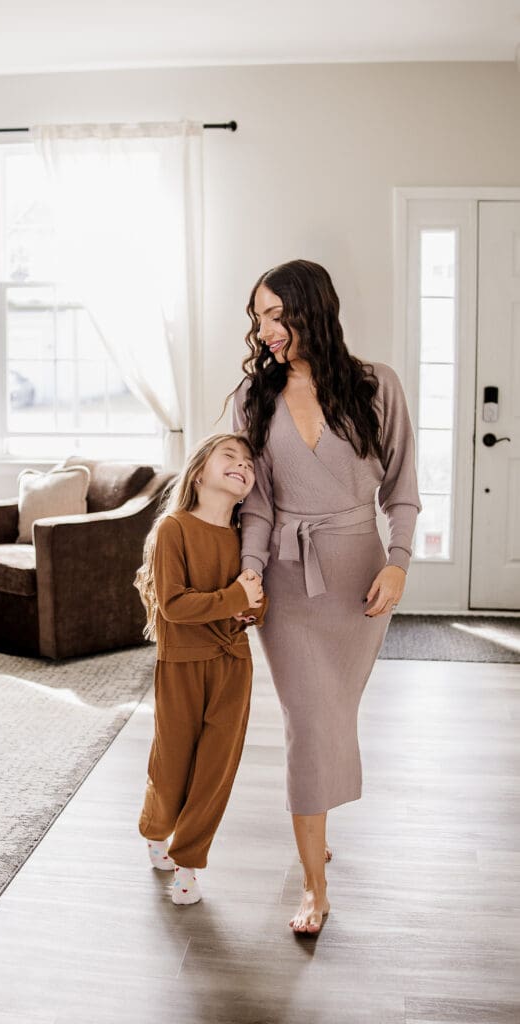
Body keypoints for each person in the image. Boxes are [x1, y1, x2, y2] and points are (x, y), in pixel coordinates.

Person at [227, 259, 422, 934]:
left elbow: (401, 490)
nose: (265, 329)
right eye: (258, 316)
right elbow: (254, 507)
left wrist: (398, 563)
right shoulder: (253, 398)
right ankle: (314, 886)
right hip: (284, 579)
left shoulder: (376, 386)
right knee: (307, 724)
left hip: (358, 578)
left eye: (276, 313)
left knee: (333, 713)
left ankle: (316, 823)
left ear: (314, 309)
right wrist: (249, 577)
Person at [134, 432, 269, 906]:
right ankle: (156, 828)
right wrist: (235, 598)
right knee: (172, 762)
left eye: (250, 464)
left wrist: (253, 607)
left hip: (233, 665)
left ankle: (189, 862)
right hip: (182, 666)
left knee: (216, 769)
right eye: (229, 457)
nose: (242, 466)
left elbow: (254, 602)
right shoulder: (174, 529)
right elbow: (173, 605)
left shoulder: (244, 541)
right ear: (198, 472)